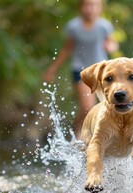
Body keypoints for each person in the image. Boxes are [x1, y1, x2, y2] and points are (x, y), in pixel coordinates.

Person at [44, 0, 118, 139]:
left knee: (105, 108)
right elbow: (67, 49)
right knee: (86, 107)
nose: (90, 8)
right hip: (80, 70)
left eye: (94, 5)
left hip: (102, 72)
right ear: (81, 7)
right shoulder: (74, 26)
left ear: (99, 8)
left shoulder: (104, 26)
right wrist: (52, 69)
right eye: (88, 5)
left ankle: (99, 138)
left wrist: (111, 46)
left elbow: (112, 42)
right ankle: (75, 133)